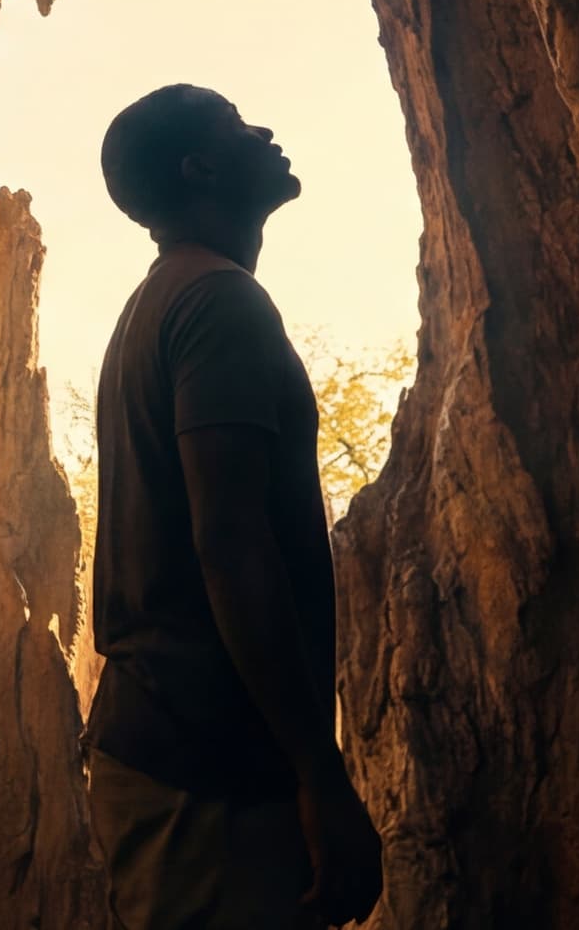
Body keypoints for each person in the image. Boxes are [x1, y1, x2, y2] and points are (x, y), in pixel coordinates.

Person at [83, 84, 385, 930]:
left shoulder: (161, 304)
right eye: (239, 124)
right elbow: (231, 542)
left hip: (176, 761)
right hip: (205, 782)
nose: (267, 130)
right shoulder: (219, 304)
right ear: (202, 167)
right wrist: (319, 776)